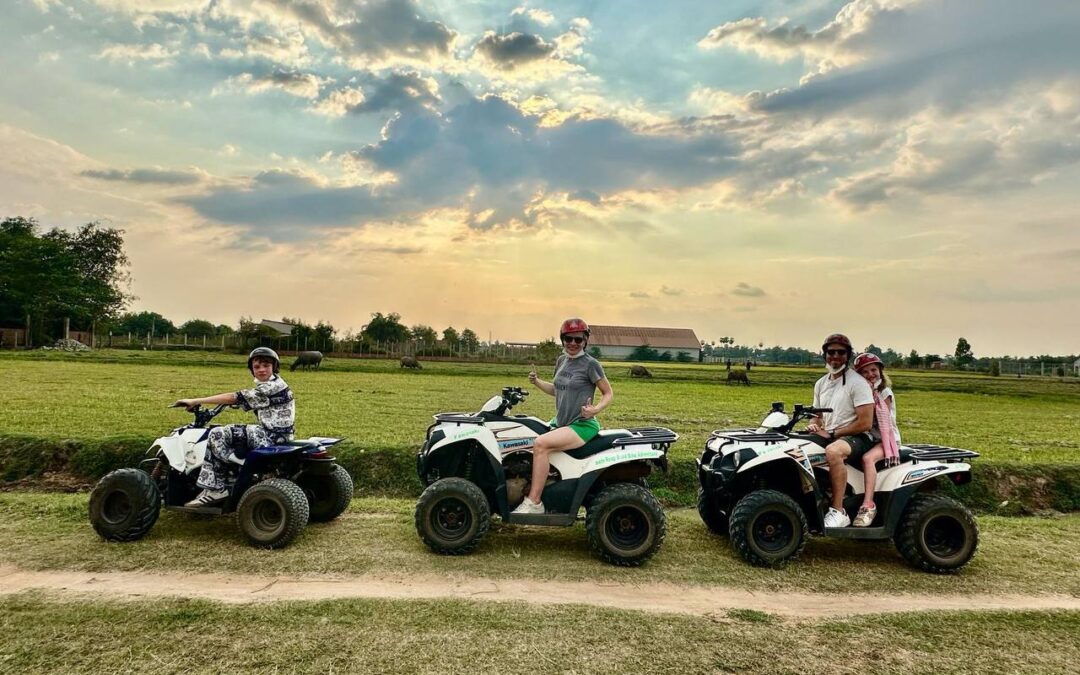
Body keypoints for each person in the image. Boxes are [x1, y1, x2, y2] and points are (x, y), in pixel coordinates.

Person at [512, 318, 613, 515]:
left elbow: (608, 393)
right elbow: (558, 390)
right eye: (568, 339)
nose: (573, 343)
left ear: (585, 340)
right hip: (560, 422)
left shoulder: (591, 364)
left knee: (540, 444)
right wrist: (537, 382)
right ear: (562, 339)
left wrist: (595, 409)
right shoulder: (561, 360)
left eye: (578, 339)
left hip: (581, 425)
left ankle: (534, 502)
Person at [172, 347, 295, 506]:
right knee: (233, 433)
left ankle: (216, 489)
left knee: (217, 433)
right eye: (257, 367)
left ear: (274, 366)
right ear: (252, 370)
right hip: (280, 435)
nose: (261, 370)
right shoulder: (276, 383)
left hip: (270, 436)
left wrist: (195, 401)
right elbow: (248, 400)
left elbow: (235, 397)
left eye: (266, 365)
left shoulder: (270, 388)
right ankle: (233, 464)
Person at [804, 333, 875, 528]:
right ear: (825, 355)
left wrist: (834, 433)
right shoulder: (821, 383)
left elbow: (866, 422)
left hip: (858, 437)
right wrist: (814, 424)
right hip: (832, 434)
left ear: (848, 355)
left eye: (841, 352)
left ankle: (838, 511)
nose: (835, 356)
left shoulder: (857, 383)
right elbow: (817, 415)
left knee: (834, 451)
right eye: (831, 352)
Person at [851, 352, 902, 527]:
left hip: (886, 439)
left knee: (868, 459)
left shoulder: (884, 392)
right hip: (870, 438)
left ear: (880, 370)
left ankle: (868, 504)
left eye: (873, 370)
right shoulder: (863, 391)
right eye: (864, 372)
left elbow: (876, 417)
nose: (870, 374)